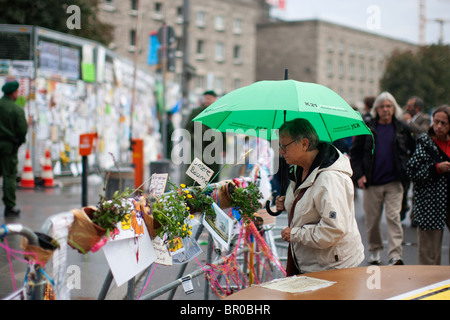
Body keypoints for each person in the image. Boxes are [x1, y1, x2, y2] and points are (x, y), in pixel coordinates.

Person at [275, 118, 364, 276]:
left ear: (304, 144)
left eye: (284, 145)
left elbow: (333, 229)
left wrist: (295, 234)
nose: (281, 151)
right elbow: (307, 205)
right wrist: (289, 204)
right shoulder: (298, 169)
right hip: (312, 263)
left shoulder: (330, 179)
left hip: (333, 267)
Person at [350, 92, 416, 265]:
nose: (385, 110)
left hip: (395, 182)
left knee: (393, 217)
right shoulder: (367, 127)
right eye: (382, 107)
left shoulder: (402, 128)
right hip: (372, 182)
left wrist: (406, 168)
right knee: (372, 221)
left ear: (394, 108)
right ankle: (375, 250)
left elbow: (414, 150)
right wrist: (359, 175)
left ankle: (395, 254)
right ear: (376, 109)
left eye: (389, 106)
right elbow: (355, 153)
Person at [406, 105, 450, 265]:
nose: (438, 126)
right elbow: (412, 171)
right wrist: (436, 169)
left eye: (443, 123)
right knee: (429, 256)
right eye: (436, 121)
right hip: (430, 203)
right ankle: (430, 287)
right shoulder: (425, 143)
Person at [0, 80, 28, 217]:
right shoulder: (16, 109)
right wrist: (19, 141)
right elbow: (22, 129)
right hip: (9, 147)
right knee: (9, 175)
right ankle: (9, 206)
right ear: (13, 93)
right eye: (17, 92)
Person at [184, 90, 223, 185]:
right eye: (206, 98)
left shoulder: (218, 113)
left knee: (213, 177)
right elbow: (187, 130)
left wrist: (223, 148)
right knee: (196, 176)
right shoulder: (196, 112)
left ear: (215, 99)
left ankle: (211, 196)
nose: (207, 101)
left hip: (214, 149)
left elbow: (223, 131)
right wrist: (195, 139)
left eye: (210, 98)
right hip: (198, 149)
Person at [402, 96, 431, 222]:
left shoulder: (424, 118)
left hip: (419, 157)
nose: (407, 108)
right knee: (403, 186)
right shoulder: (403, 118)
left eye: (410, 106)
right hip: (405, 157)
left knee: (417, 188)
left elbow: (422, 132)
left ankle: (415, 215)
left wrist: (409, 122)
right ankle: (403, 208)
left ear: (417, 108)